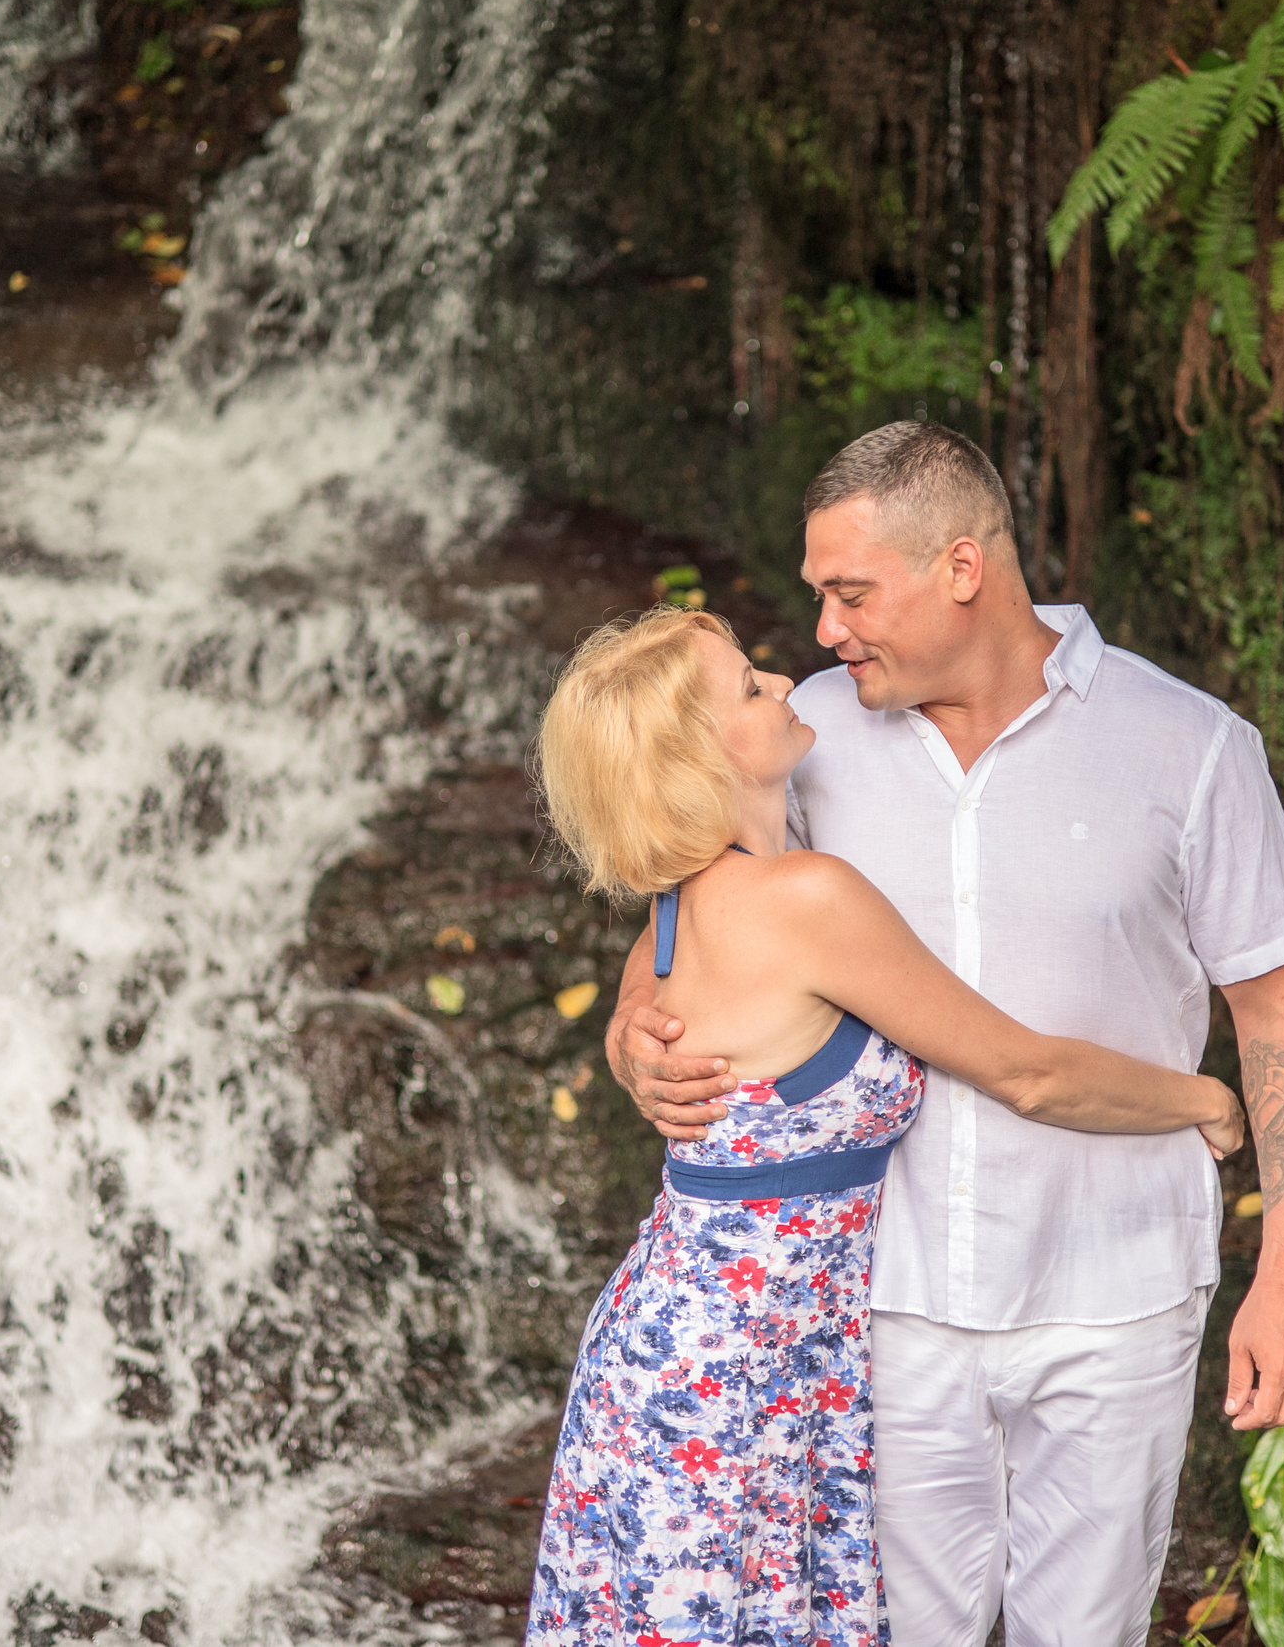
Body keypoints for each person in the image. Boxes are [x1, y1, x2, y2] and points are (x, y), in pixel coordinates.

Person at [605, 422, 1284, 1647]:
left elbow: (1276, 1007)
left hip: (1118, 1293)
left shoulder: (1191, 746)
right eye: (819, 599)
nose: (826, 632)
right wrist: (637, 1028)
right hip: (881, 1303)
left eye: (851, 594)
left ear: (960, 568)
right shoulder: (804, 739)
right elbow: (687, 904)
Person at [523, 606, 1247, 1647]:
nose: (780, 682)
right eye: (746, 688)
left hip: (715, 1360)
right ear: (697, 758)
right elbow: (1026, 1072)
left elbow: (650, 1000)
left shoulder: (685, 907)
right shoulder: (805, 897)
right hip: (727, 1387)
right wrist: (1203, 1100)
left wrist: (624, 1039)